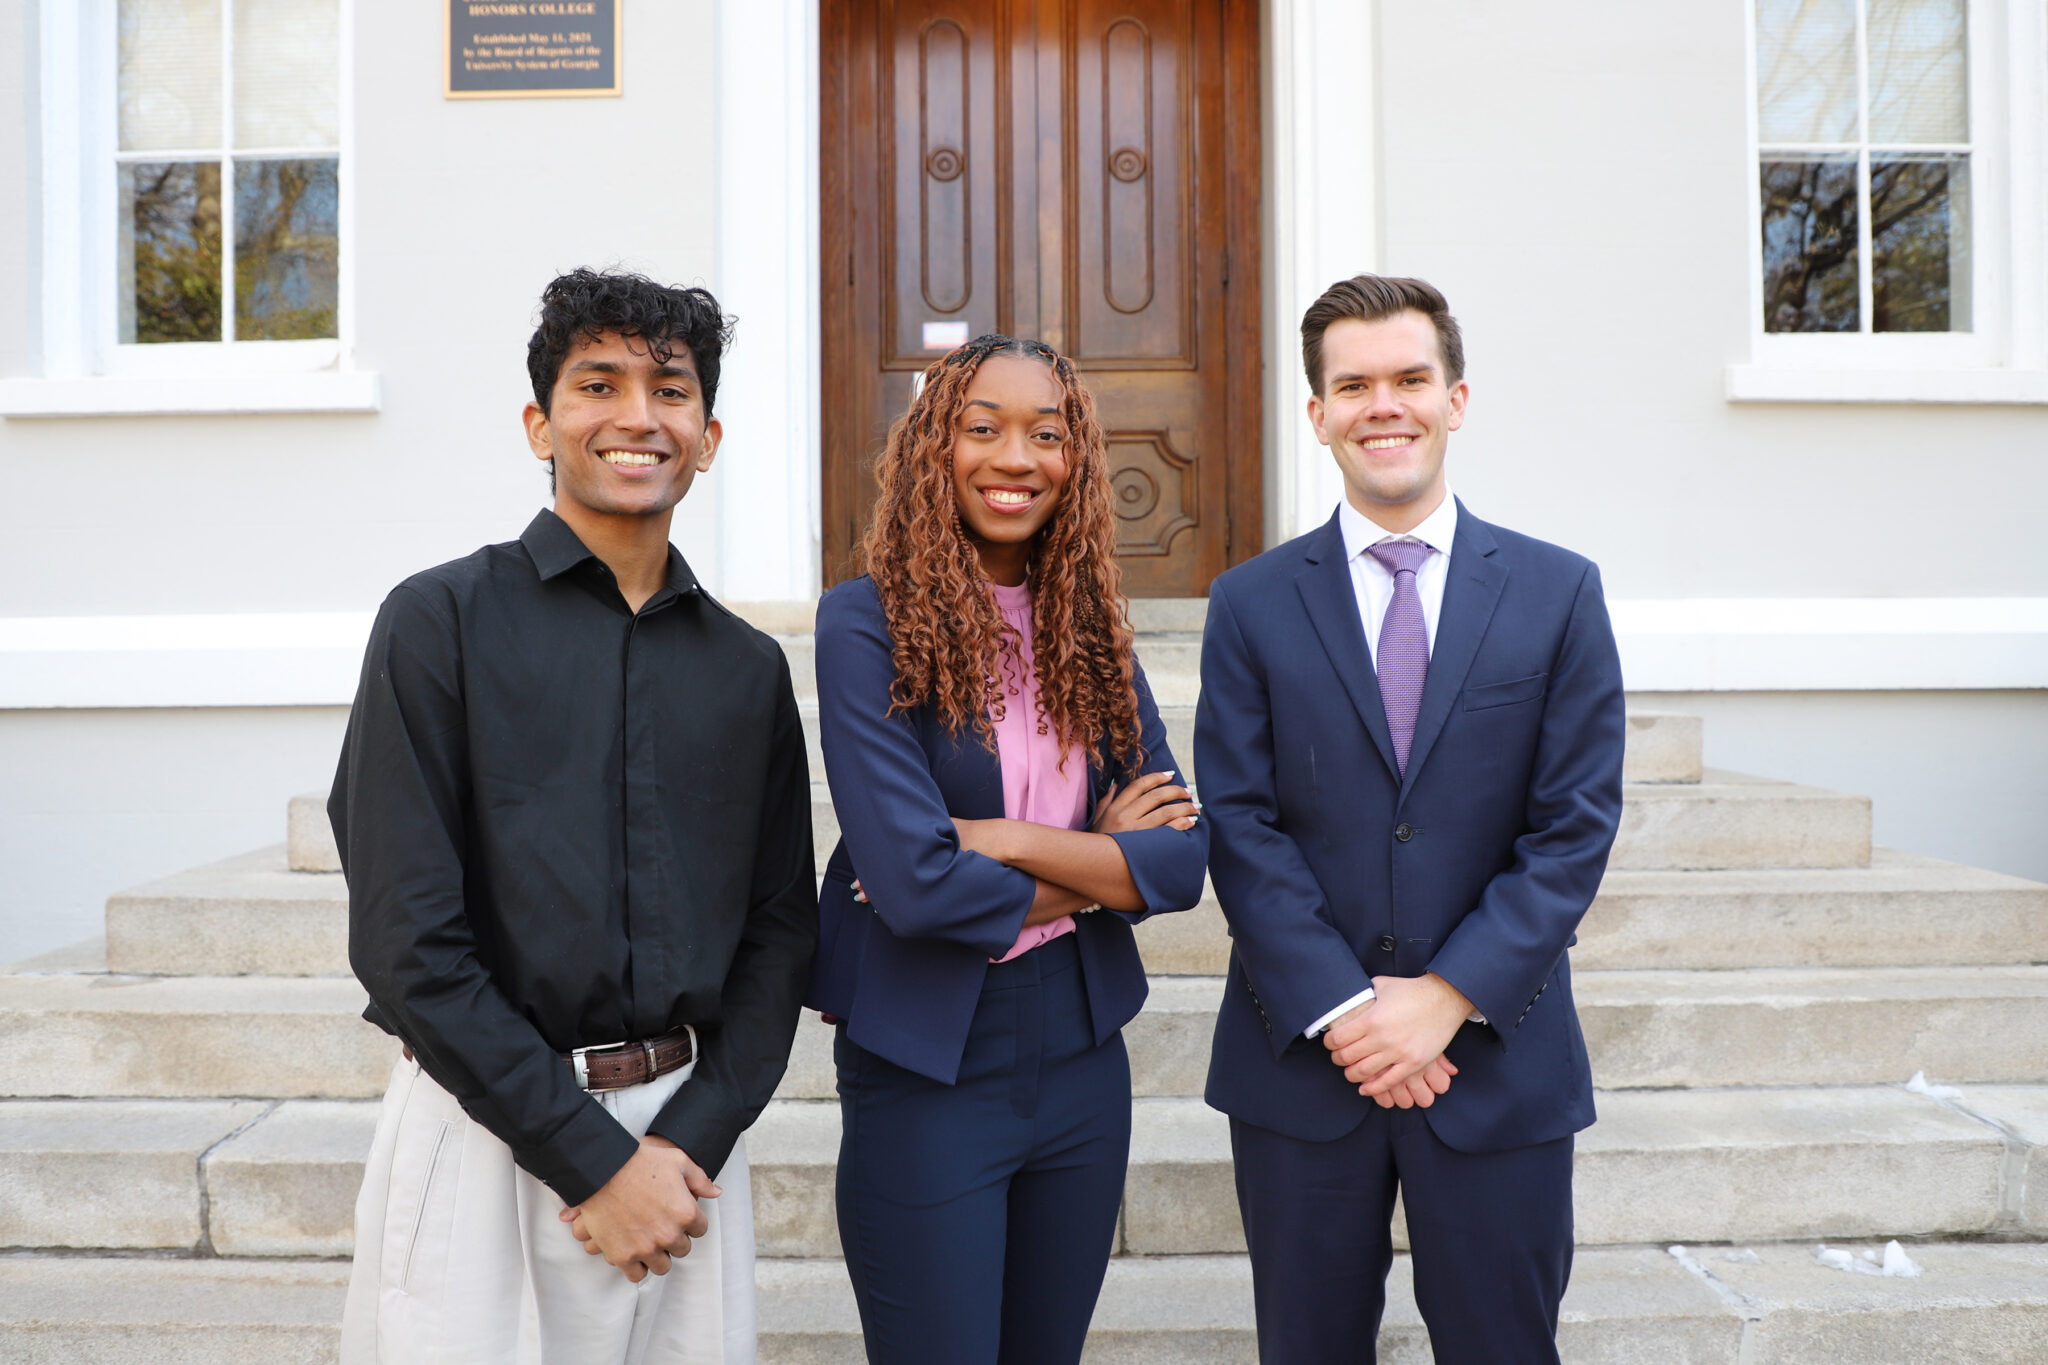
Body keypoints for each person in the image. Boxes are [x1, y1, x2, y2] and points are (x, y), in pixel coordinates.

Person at [331, 268, 816, 1364]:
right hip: (482, 1133)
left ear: (709, 433)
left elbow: (780, 933)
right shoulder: (436, 623)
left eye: (671, 391)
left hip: (682, 1153)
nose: (638, 417)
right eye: (598, 384)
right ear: (539, 424)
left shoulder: (746, 672)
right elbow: (408, 944)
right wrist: (590, 1162)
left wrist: (683, 1146)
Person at [1197, 275, 1625, 1363]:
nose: (1380, 404)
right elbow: (1240, 825)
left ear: (1455, 399)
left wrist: (1443, 999)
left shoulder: (1555, 591)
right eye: (1352, 385)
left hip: (1495, 1060)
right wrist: (1346, 1011)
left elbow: (1571, 827)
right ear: (1318, 414)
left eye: (1406, 379)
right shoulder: (1248, 601)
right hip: (1304, 1066)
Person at [807, 334, 1210, 1363]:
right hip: (929, 1063)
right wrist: (1092, 866)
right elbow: (913, 889)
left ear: (1075, 458)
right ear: (933, 447)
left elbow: (1174, 867)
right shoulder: (865, 627)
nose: (1013, 458)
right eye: (980, 428)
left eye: (1045, 432)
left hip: (1078, 1059)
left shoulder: (1091, 632)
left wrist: (1012, 839)